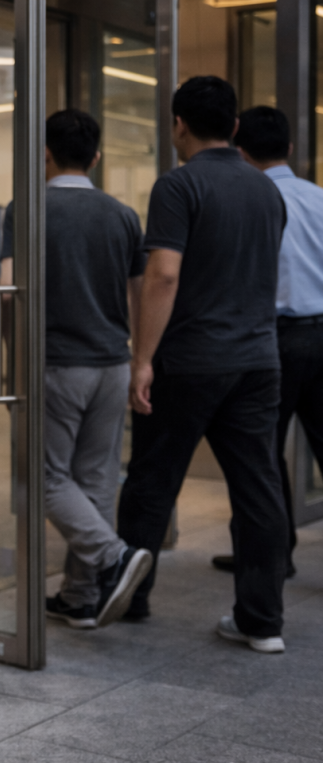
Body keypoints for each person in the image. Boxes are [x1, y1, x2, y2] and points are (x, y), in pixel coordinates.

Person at [117, 76, 289, 653]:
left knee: (151, 481)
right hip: (258, 361)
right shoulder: (267, 191)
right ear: (235, 127)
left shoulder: (178, 185)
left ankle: (130, 599)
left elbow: (163, 275)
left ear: (178, 125)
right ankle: (262, 622)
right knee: (259, 489)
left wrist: (143, 359)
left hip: (190, 361)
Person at [0, 109, 153, 629]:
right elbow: (139, 295)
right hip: (112, 364)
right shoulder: (123, 215)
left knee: (43, 478)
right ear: (96, 157)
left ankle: (113, 557)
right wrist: (140, 360)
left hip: (56, 364)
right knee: (95, 480)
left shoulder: (26, 209)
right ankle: (81, 596)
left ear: (44, 155)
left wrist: (14, 362)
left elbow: (10, 294)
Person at [208, 106, 323, 580]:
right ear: (290, 149)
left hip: (270, 339)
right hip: (321, 335)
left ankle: (270, 558)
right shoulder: (319, 197)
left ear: (239, 149)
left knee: (259, 456)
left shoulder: (247, 201)